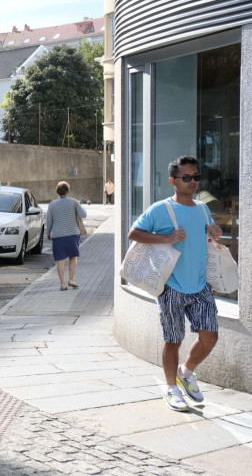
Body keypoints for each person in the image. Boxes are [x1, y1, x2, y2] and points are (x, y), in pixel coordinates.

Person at [127, 155, 221, 412]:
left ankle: (186, 372)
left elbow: (212, 232)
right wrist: (166, 237)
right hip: (171, 285)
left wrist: (215, 231)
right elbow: (133, 233)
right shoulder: (161, 209)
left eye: (196, 177)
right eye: (187, 178)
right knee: (173, 340)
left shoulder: (202, 208)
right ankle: (171, 387)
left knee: (210, 336)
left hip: (200, 285)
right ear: (173, 181)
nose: (193, 182)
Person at [45, 181, 86, 291]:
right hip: (73, 234)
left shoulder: (52, 204)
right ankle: (71, 280)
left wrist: (48, 233)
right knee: (73, 256)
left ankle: (63, 284)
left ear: (57, 191)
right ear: (68, 191)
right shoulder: (74, 202)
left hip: (57, 236)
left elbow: (49, 221)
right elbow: (84, 214)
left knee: (60, 259)